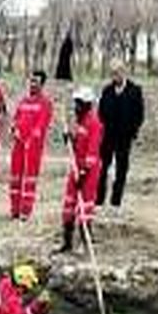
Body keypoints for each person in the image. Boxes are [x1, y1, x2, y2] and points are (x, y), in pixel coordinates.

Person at [58, 87, 104, 253]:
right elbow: (78, 144)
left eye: (79, 103)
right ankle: (67, 242)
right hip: (75, 167)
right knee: (69, 205)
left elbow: (92, 152)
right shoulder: (80, 122)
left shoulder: (95, 124)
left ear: (87, 104)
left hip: (88, 172)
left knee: (85, 207)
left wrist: (83, 174)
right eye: (75, 103)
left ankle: (86, 242)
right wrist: (69, 138)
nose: (76, 107)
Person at [96, 59, 144, 208]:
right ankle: (99, 199)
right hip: (107, 136)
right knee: (102, 168)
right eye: (112, 74)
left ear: (123, 72)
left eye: (117, 73)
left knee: (121, 170)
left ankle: (116, 201)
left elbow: (139, 114)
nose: (114, 76)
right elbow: (100, 112)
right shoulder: (107, 91)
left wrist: (133, 131)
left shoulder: (135, 90)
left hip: (124, 137)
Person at [7, 69, 53, 221]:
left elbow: (41, 126)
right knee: (15, 176)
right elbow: (16, 118)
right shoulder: (24, 101)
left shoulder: (45, 103)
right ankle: (14, 209)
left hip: (32, 147)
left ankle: (25, 211)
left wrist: (30, 138)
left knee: (29, 178)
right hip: (18, 144)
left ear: (42, 85)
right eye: (31, 81)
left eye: (36, 82)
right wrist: (13, 128)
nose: (33, 84)